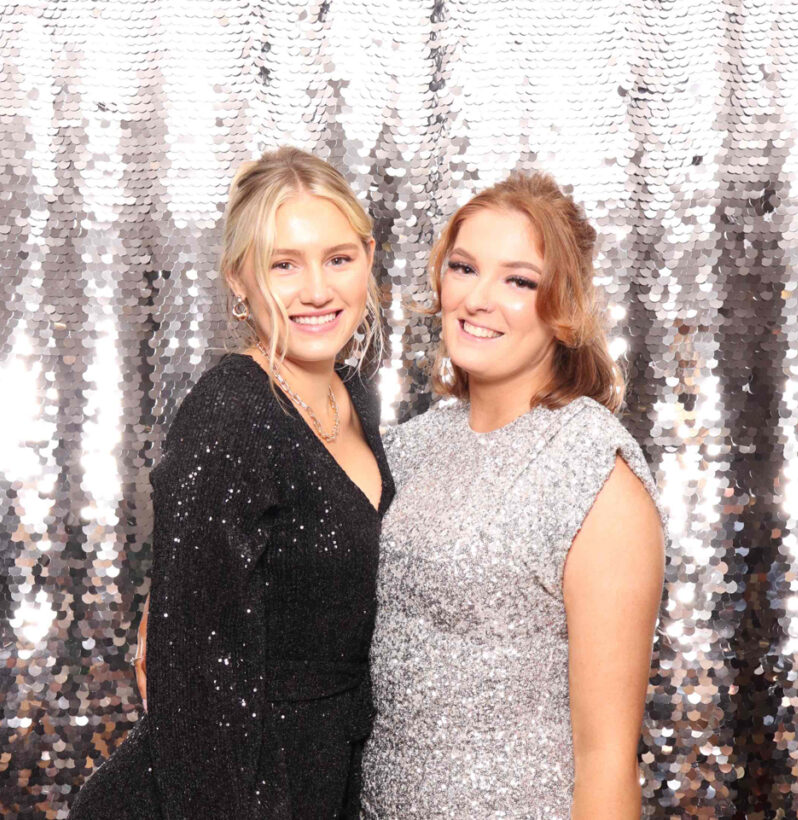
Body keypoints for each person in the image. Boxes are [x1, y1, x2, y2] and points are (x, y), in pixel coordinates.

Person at [71, 146, 395, 819]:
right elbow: (193, 690)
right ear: (240, 282)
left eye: (338, 258)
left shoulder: (353, 393)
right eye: (284, 265)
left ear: (368, 258)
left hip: (319, 779)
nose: (316, 290)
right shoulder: (231, 412)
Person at [360, 172, 666, 818]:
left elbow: (607, 760)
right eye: (464, 268)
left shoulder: (595, 471)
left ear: (565, 306)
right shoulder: (405, 450)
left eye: (519, 281)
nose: (479, 299)